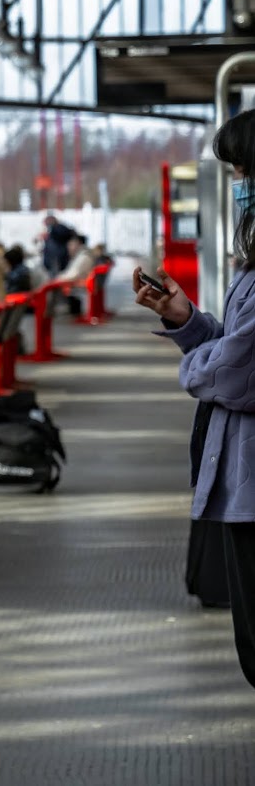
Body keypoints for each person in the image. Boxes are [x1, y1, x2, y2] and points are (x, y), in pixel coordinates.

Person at [136, 108, 255, 690]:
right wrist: (185, 321)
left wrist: (196, 366)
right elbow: (233, 351)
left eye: (241, 170)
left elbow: (236, 371)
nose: (238, 185)